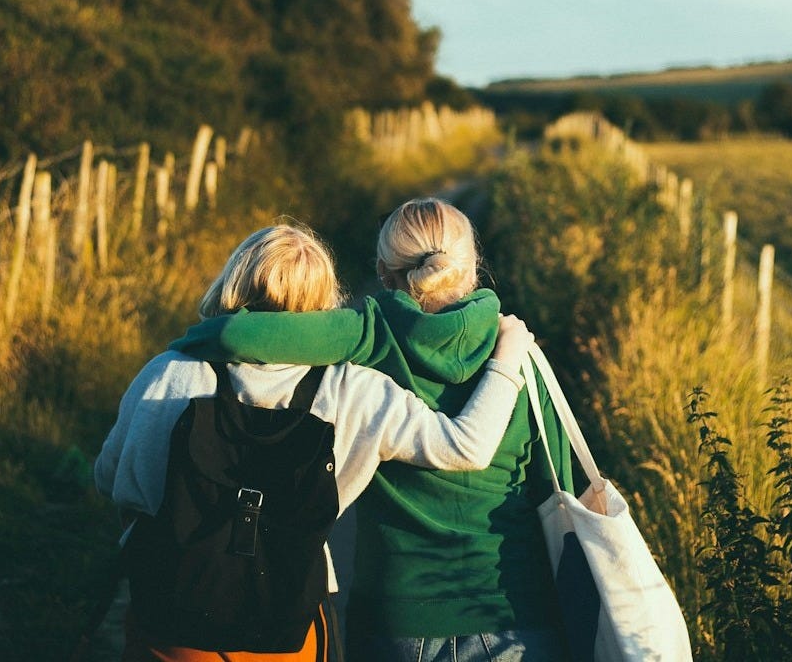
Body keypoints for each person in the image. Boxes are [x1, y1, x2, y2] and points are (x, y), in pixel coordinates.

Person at [95, 222, 537, 662]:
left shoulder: (168, 373)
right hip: (289, 619)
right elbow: (464, 446)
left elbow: (112, 476)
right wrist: (508, 358)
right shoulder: (354, 389)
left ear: (232, 280)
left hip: (172, 613)